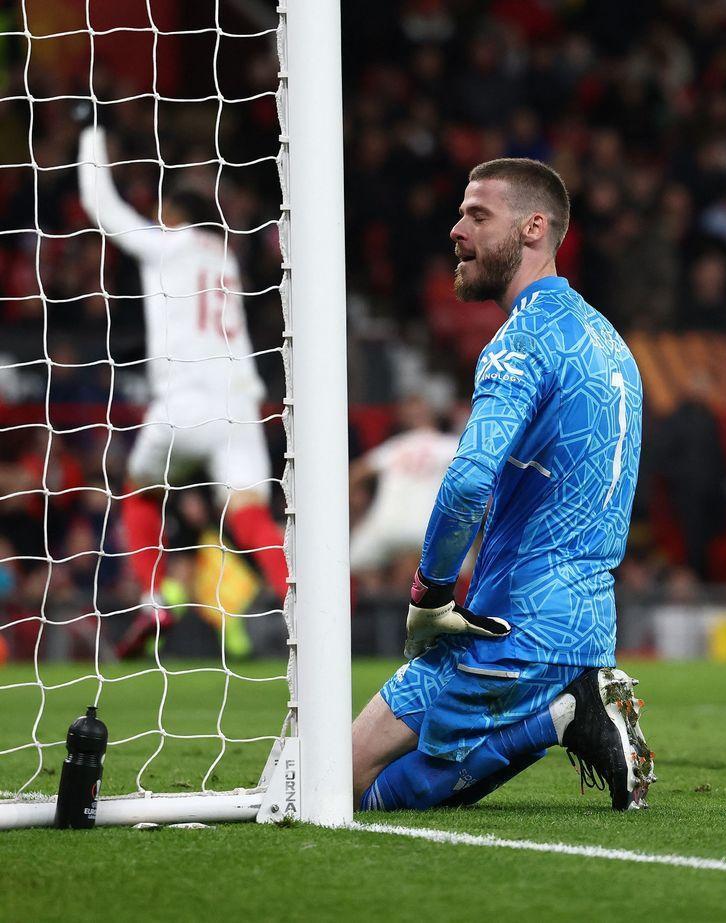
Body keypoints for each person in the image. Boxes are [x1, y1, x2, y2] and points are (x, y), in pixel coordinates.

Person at [351, 158, 654, 813]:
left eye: (478, 215)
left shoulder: (522, 343)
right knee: (339, 771)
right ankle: (568, 711)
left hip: (513, 627)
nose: (457, 230)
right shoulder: (609, 342)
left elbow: (467, 483)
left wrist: (431, 592)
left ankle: (564, 715)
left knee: (345, 792)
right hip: (583, 620)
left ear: (532, 228)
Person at [77, 127, 288, 659]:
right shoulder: (227, 259)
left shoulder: (168, 244)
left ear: (173, 215)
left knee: (139, 491)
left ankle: (153, 600)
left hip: (186, 400)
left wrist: (92, 134)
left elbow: (100, 204)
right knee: (248, 514)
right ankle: (299, 603)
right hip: (240, 403)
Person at [348, 396, 459, 577]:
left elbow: (356, 472)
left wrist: (354, 507)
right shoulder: (452, 445)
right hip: (430, 527)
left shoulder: (396, 446)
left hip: (387, 525)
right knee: (458, 570)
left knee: (351, 567)